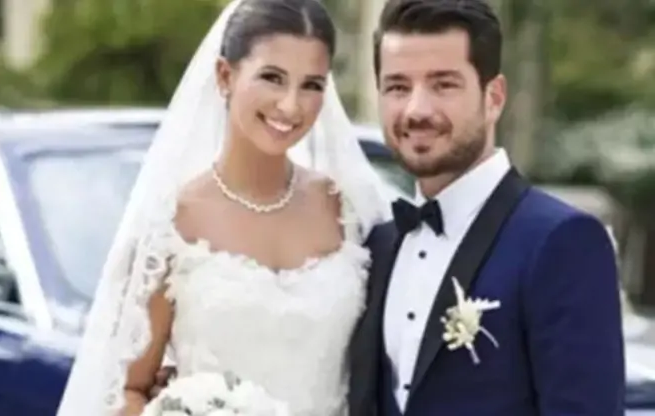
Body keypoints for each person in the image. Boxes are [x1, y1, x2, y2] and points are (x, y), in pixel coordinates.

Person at [55, 0, 390, 415]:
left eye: (312, 85)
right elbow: (124, 391)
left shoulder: (348, 213)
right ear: (225, 76)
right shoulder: (173, 225)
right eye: (272, 78)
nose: (291, 105)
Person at [348, 0, 626, 415]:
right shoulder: (380, 244)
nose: (417, 110)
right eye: (398, 87)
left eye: (443, 85)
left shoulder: (562, 241)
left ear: (493, 97)